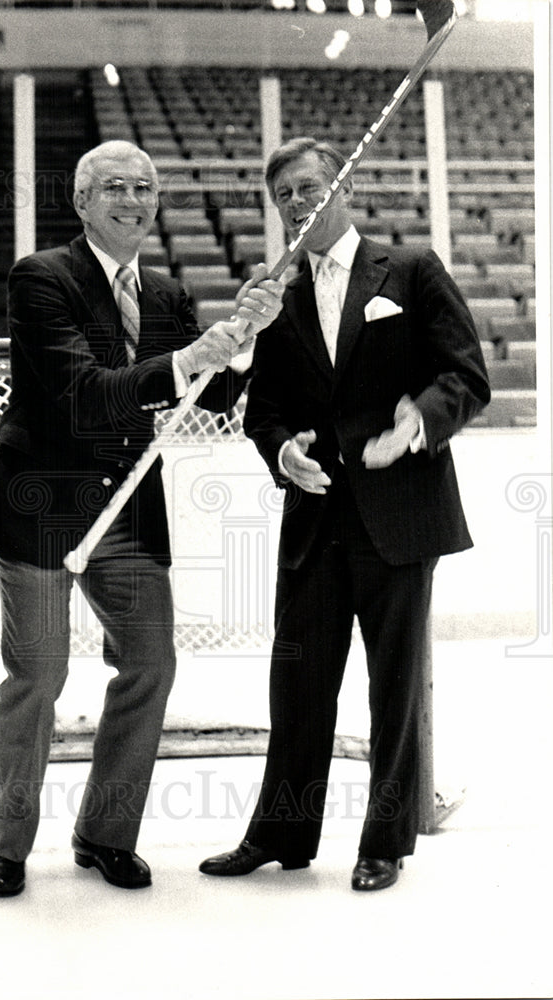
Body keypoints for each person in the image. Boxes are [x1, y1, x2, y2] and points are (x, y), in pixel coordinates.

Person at [0, 139, 285, 895]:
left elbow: (208, 400)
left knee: (150, 665)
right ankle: (9, 845)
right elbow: (83, 391)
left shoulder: (170, 296)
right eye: (114, 185)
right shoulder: (39, 278)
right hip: (42, 510)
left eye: (146, 187)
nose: (133, 198)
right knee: (39, 676)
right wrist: (185, 361)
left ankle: (106, 833)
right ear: (81, 201)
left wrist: (240, 345)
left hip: (127, 511)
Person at [200, 137, 490, 891]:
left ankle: (384, 842)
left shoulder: (414, 270)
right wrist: (280, 454)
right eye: (283, 197)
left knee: (393, 688)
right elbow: (261, 411)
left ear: (343, 188)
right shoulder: (281, 296)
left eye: (306, 188)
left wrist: (417, 423)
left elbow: (467, 375)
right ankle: (283, 837)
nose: (297, 204)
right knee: (296, 685)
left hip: (400, 515)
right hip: (315, 521)